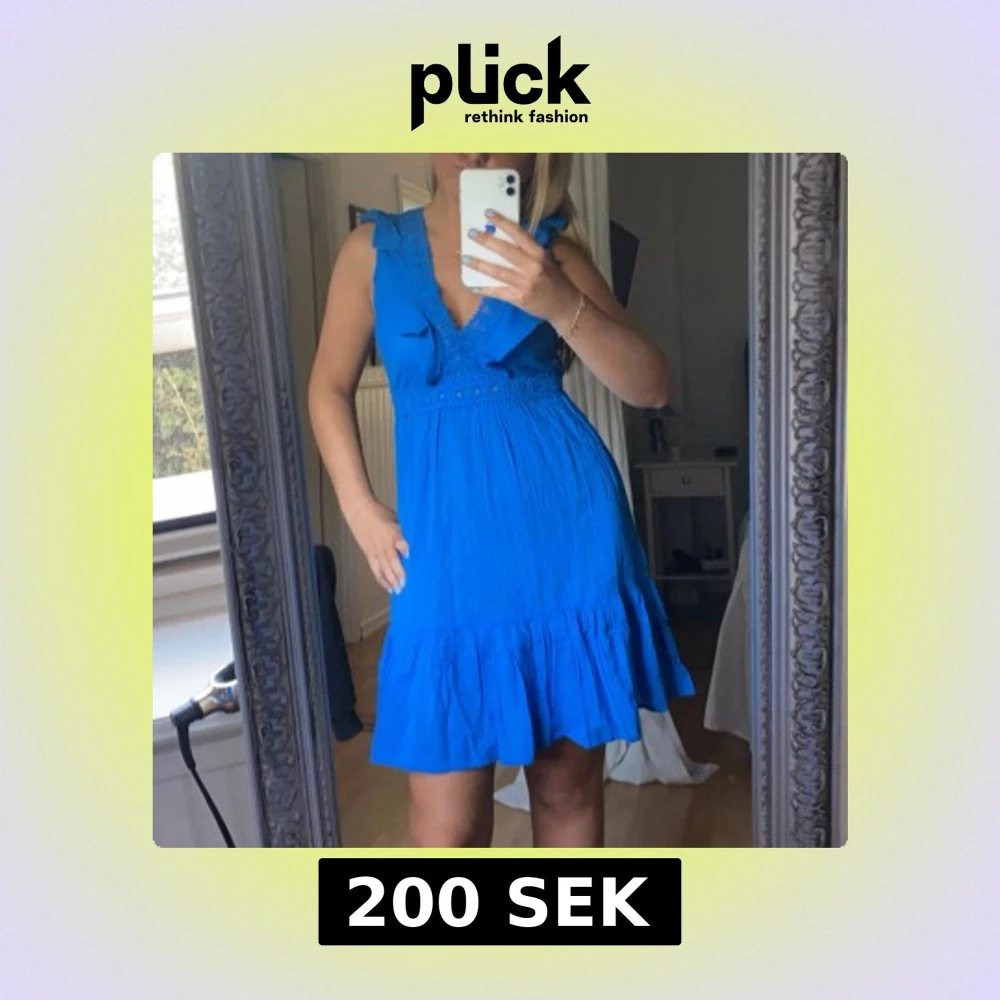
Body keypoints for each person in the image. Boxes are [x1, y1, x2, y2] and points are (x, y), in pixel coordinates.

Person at [307, 153, 694, 848]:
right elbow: (328, 388)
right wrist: (359, 509)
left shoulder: (553, 255)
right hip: (443, 557)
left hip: (565, 545)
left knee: (566, 792)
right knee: (445, 823)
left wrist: (557, 301)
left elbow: (652, 385)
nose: (477, 147)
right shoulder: (370, 251)